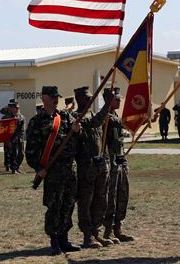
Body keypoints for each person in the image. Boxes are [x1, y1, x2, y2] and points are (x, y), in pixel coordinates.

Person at [26, 86, 81, 256]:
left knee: (69, 203)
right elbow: (31, 150)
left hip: (69, 168)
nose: (55, 99)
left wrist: (78, 131)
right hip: (52, 171)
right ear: (44, 98)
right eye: (52, 96)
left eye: (57, 96)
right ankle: (54, 239)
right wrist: (39, 169)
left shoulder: (64, 116)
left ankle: (64, 237)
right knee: (54, 205)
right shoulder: (37, 121)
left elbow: (77, 137)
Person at [73, 86, 112, 248]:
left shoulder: (93, 115)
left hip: (100, 164)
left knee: (101, 199)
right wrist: (107, 104)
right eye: (86, 98)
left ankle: (96, 232)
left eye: (91, 97)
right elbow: (94, 122)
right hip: (86, 167)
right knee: (86, 201)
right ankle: (87, 235)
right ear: (79, 99)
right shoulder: (76, 117)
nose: (90, 100)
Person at [102, 88, 135, 244]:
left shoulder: (115, 116)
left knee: (123, 195)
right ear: (108, 100)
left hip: (120, 161)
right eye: (116, 98)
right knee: (111, 197)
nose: (120, 100)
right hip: (111, 162)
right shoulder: (106, 117)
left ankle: (118, 228)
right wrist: (142, 117)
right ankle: (107, 231)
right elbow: (123, 123)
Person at [2, 100, 26, 174]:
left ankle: (17, 167)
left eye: (17, 108)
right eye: (15, 108)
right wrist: (7, 140)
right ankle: (13, 169)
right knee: (12, 154)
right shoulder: (6, 117)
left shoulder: (21, 117)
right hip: (10, 139)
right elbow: (3, 129)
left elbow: (22, 128)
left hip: (19, 138)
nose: (17, 109)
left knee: (21, 153)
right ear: (11, 109)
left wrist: (18, 137)